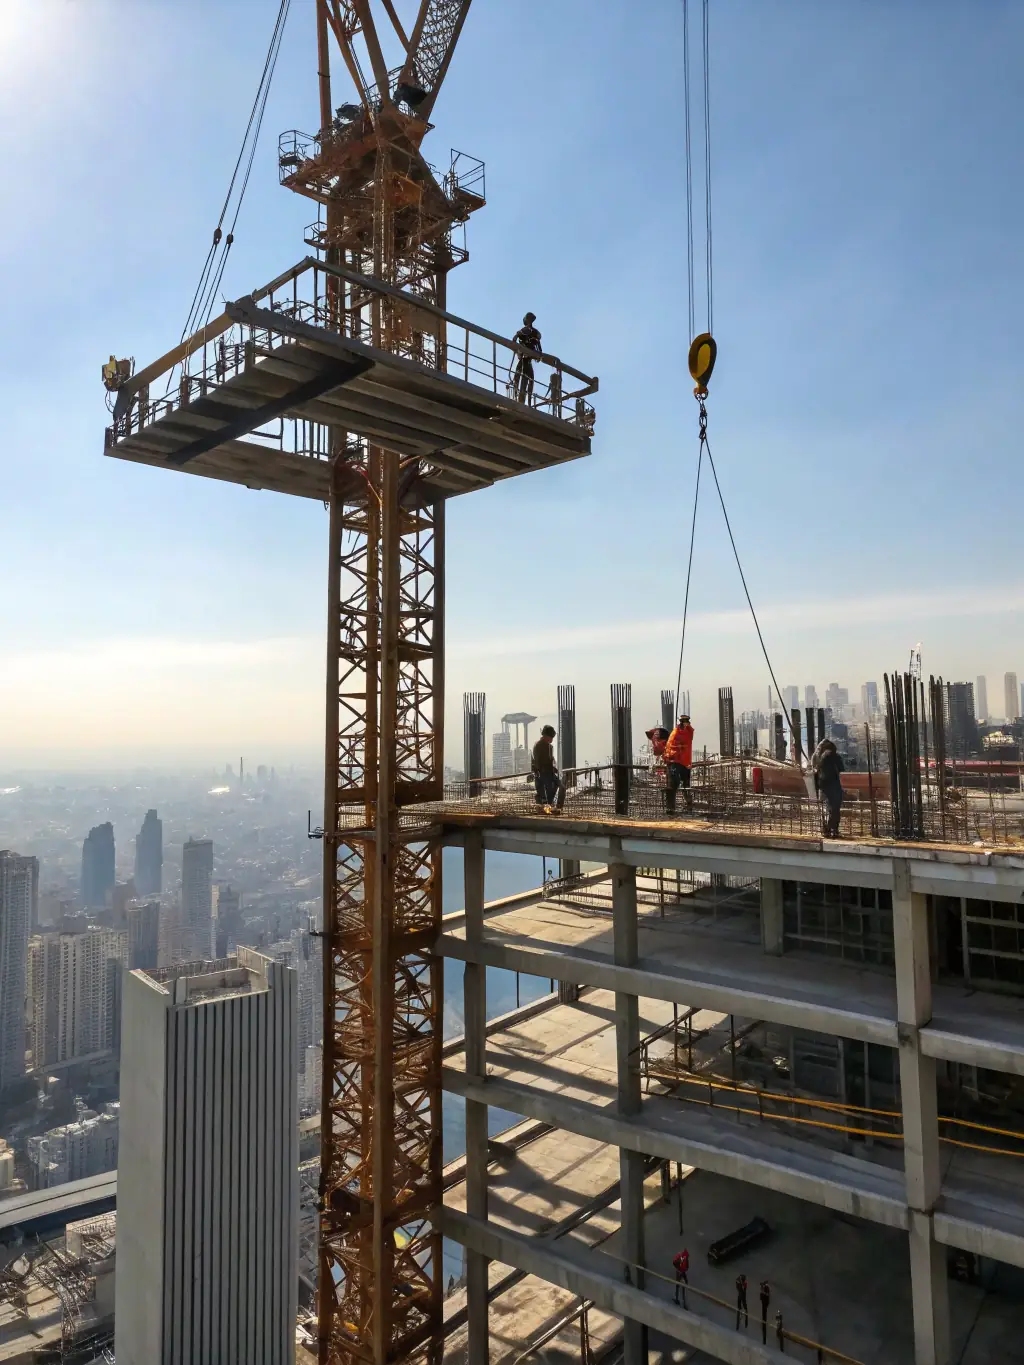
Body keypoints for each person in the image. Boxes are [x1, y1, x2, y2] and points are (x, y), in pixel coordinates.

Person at [812, 737, 845, 838]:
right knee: (834, 809)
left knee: (824, 808)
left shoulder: (816, 756)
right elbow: (841, 769)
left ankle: (825, 830)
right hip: (834, 785)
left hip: (822, 785)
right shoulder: (835, 756)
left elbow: (814, 769)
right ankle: (833, 830)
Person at [664, 713, 695, 814]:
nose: (685, 724)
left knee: (686, 785)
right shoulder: (675, 732)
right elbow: (670, 745)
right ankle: (671, 809)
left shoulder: (689, 732)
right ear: (681, 723)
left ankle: (689, 807)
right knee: (674, 783)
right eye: (683, 722)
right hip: (675, 762)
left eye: (687, 722)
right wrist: (678, 748)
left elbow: (689, 736)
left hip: (685, 763)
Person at [531, 724, 565, 812]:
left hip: (549, 773)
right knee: (549, 792)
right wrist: (539, 772)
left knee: (560, 787)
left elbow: (549, 760)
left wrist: (553, 768)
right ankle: (550, 807)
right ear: (546, 736)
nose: (552, 740)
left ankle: (554, 807)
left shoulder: (548, 746)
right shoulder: (539, 745)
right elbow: (537, 761)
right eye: (551, 737)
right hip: (544, 773)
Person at [512, 311, 542, 404]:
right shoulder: (534, 332)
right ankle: (521, 398)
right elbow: (538, 346)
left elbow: (514, 339)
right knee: (526, 378)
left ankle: (521, 398)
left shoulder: (528, 331)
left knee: (525, 378)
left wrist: (518, 350)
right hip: (525, 359)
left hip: (526, 359)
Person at [759, 1280, 771, 1344]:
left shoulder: (767, 1288)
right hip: (763, 1301)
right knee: (763, 1312)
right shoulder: (763, 1287)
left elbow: (767, 1294)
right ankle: (763, 1320)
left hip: (765, 1302)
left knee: (764, 1312)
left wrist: (763, 1292)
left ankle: (764, 1322)